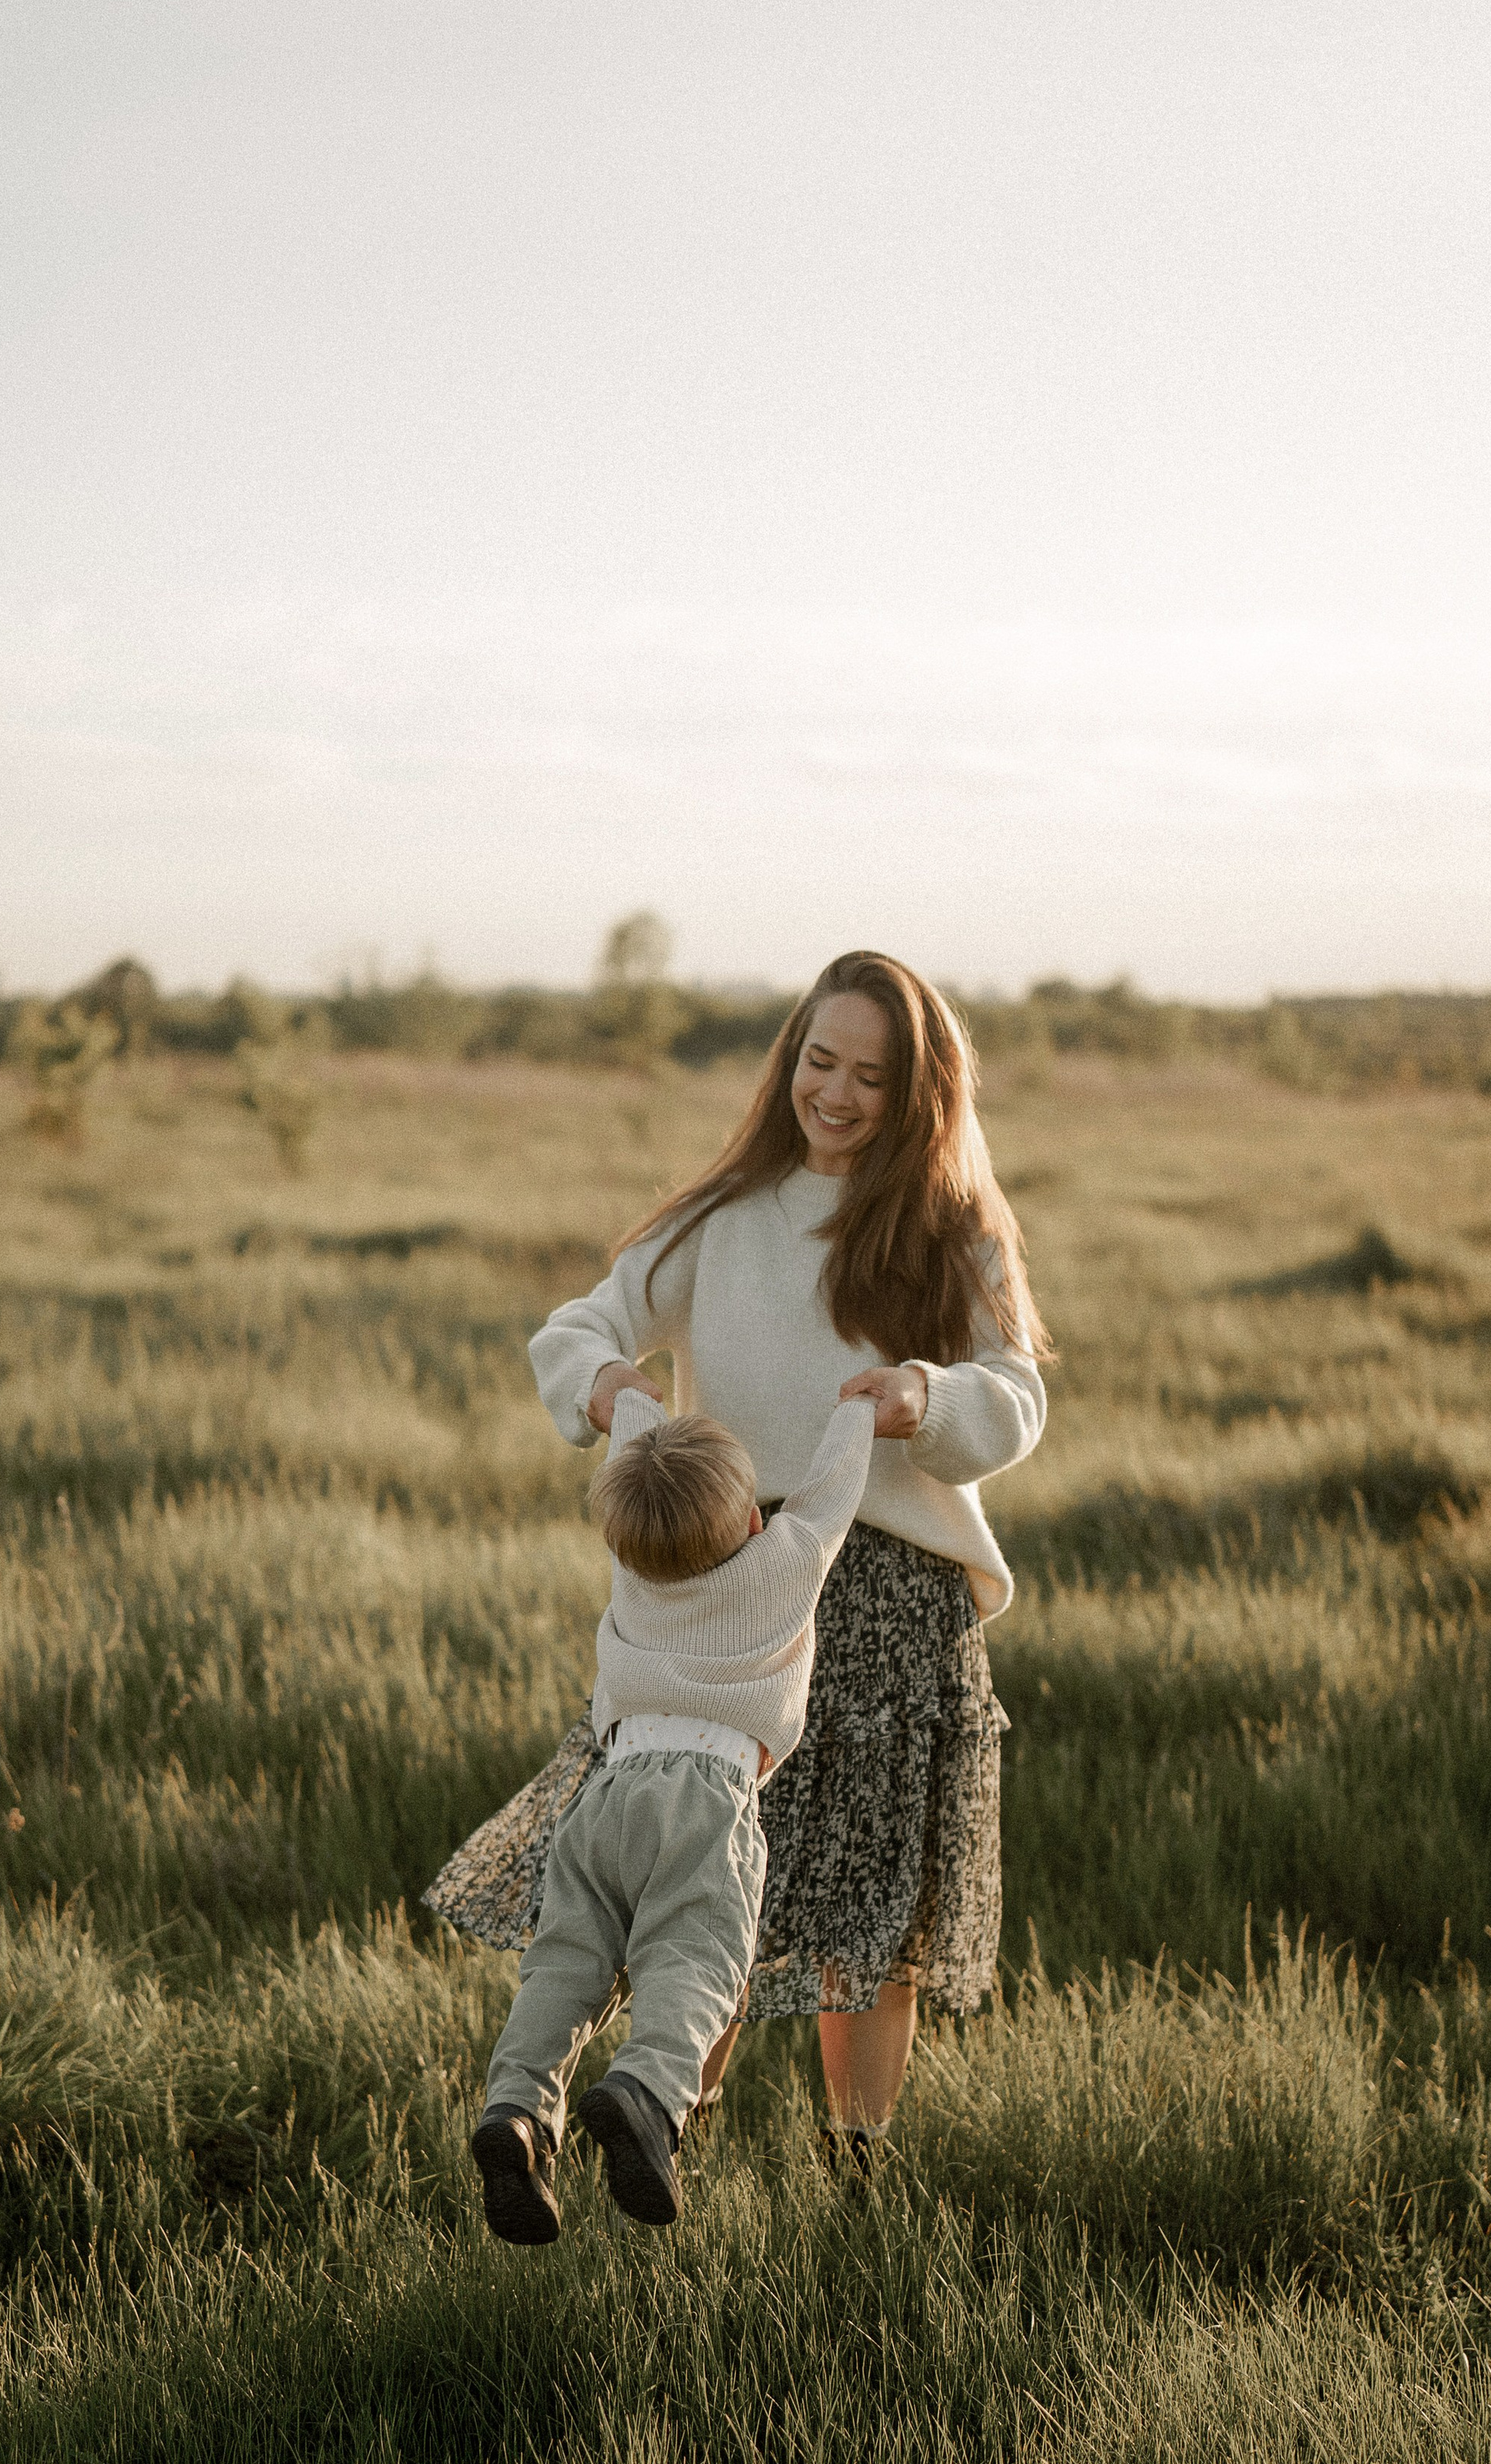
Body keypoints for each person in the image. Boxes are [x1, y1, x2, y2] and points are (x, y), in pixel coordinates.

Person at [425, 950, 1047, 2159]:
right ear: (789, 1062)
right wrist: (608, 1384)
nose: (838, 1094)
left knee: (869, 1924)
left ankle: (857, 2169)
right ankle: (662, 2140)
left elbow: (1017, 1399)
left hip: (893, 1601)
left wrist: (926, 1395)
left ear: (918, 1094)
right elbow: (580, 1326)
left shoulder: (956, 1231)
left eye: (872, 1076)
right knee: (701, 1892)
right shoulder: (721, 1218)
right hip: (735, 1593)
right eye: (821, 1061)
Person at [472, 1383, 877, 2245]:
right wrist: (858, 1410)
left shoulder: (634, 1571)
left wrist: (628, 1395)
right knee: (694, 1961)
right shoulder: (785, 1562)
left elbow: (635, 1444)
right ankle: (648, 2095)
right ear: (755, 1524)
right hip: (706, 1796)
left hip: (604, 1797)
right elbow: (834, 1491)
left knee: (567, 1963)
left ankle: (517, 2111)